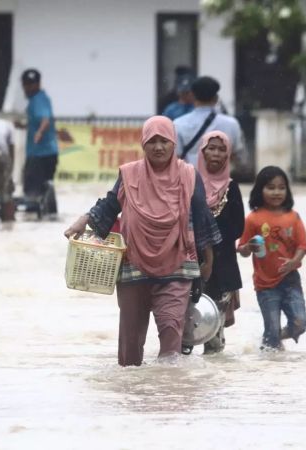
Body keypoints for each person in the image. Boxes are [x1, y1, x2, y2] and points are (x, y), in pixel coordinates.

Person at [64, 116, 222, 367]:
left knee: (171, 334)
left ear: (173, 144)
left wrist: (209, 260)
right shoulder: (129, 174)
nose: (158, 147)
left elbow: (202, 217)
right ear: (143, 144)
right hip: (132, 263)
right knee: (130, 343)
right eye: (152, 141)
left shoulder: (189, 175)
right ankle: (132, 394)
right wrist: (84, 220)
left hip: (177, 264)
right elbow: (110, 204)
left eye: (164, 141)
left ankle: (166, 394)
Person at [182, 131, 245, 355]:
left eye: (221, 149)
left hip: (222, 266)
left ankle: (214, 382)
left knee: (213, 333)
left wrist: (211, 239)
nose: (216, 153)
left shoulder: (231, 188)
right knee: (184, 326)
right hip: (190, 264)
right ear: (202, 151)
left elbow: (239, 227)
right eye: (212, 148)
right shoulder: (189, 183)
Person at [237, 166, 306, 350]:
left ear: (287, 190)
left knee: (300, 323)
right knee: (272, 329)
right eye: (270, 187)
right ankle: (271, 362)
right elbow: (242, 250)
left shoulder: (293, 217)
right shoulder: (253, 219)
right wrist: (249, 247)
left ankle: (272, 341)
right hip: (265, 284)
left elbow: (302, 245)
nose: (276, 192)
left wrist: (294, 261)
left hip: (290, 279)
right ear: (260, 190)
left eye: (281, 187)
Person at [174, 76, 247, 169]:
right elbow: (238, 156)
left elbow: (176, 156)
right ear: (216, 98)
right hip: (222, 181)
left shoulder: (179, 123)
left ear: (192, 96)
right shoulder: (232, 124)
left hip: (190, 180)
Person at [21, 68, 59, 218]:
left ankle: (34, 219)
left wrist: (39, 133)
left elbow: (45, 120)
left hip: (38, 154)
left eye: (30, 85)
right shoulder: (42, 98)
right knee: (45, 188)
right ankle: (48, 216)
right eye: (26, 84)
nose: (28, 88)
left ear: (37, 84)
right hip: (49, 152)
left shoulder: (38, 100)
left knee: (32, 194)